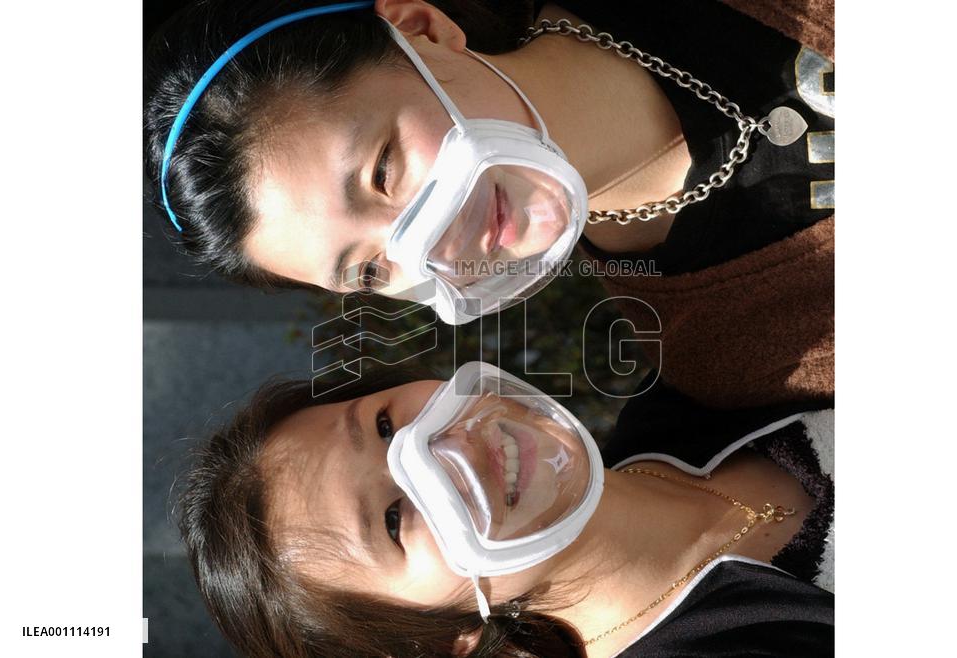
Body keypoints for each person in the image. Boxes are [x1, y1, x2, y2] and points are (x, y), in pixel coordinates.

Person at [144, 0, 835, 410]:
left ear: (421, 29)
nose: (430, 242)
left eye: (384, 170)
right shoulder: (730, 350)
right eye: (369, 270)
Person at [179, 362, 833, 657]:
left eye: (383, 425)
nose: (438, 452)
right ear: (442, 641)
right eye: (392, 520)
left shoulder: (706, 374)